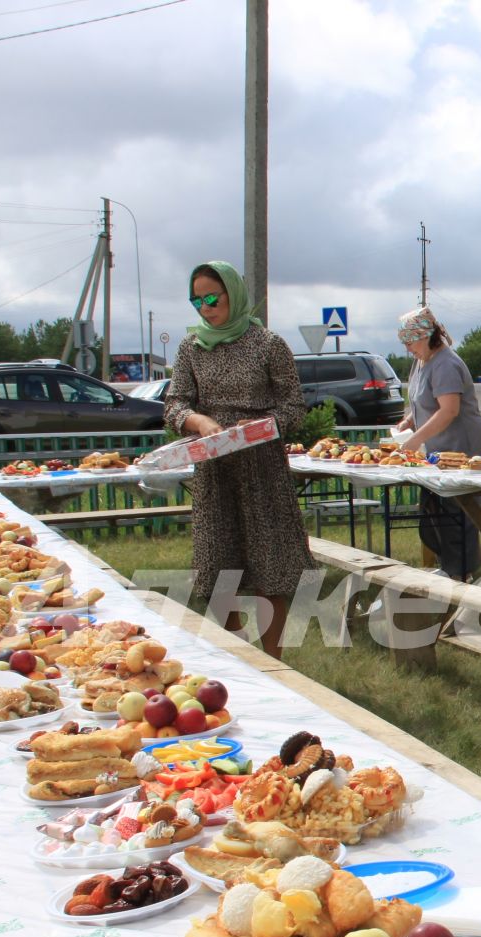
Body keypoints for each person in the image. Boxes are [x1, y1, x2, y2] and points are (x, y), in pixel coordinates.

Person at [163, 260, 316, 660]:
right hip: (215, 468)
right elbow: (175, 403)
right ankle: (241, 653)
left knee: (271, 566)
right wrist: (198, 420)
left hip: (261, 468)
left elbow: (294, 406)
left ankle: (273, 661)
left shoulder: (268, 344)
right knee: (217, 567)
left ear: (234, 292)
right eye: (195, 299)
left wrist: (261, 426)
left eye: (211, 296)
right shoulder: (190, 346)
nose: (204, 306)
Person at [389, 305, 481, 581]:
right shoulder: (421, 361)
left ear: (426, 336)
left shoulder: (446, 363)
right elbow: (424, 400)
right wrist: (409, 422)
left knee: (457, 511)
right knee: (433, 509)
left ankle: (462, 573)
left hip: (462, 445)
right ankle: (450, 568)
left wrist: (415, 439)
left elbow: (449, 409)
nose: (407, 347)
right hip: (438, 446)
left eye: (410, 341)